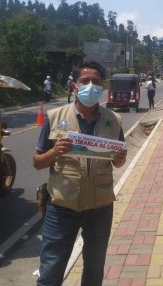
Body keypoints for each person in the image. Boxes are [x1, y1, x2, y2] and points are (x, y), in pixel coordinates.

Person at [33, 61, 128, 286]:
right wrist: (55, 152)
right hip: (61, 207)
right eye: (85, 81)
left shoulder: (114, 120)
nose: (91, 86)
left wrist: (120, 160)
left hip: (100, 207)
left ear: (102, 85)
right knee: (50, 271)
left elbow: (117, 162)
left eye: (96, 82)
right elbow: (37, 163)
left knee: (94, 271)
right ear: (74, 85)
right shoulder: (54, 117)